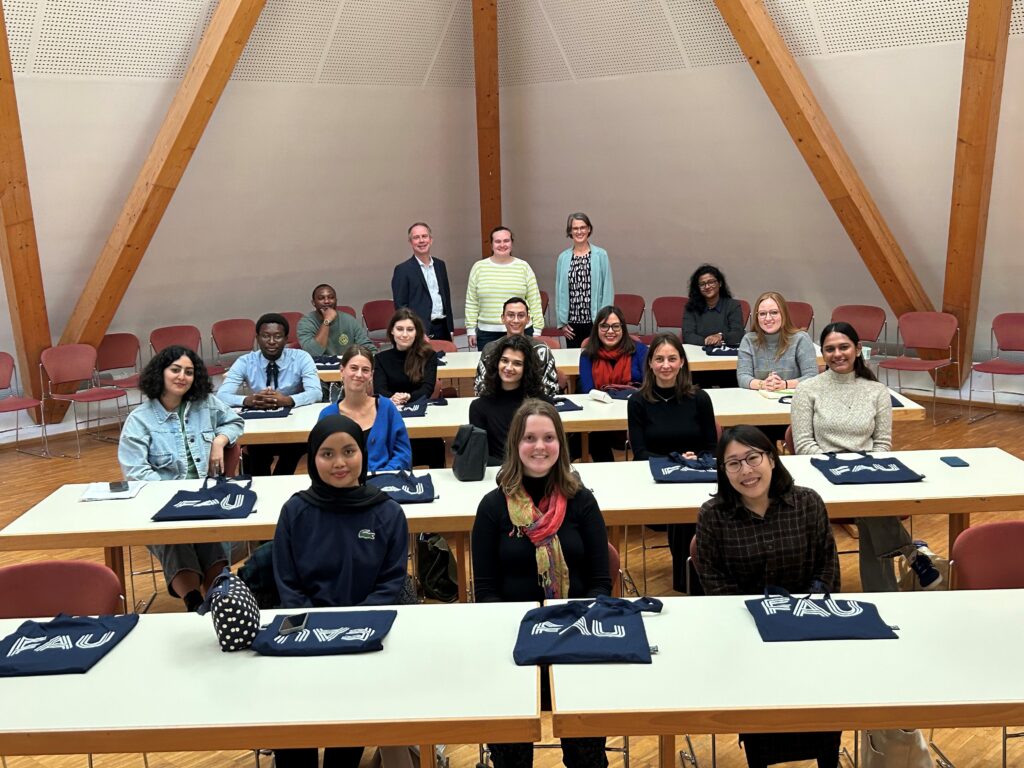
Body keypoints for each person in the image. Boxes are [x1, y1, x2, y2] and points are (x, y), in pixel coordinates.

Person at [472, 398, 611, 767]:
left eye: (549, 437)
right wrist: (524, 634)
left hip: (577, 638)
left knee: (587, 758)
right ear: (515, 445)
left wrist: (576, 628)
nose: (539, 447)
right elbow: (485, 592)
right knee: (511, 758)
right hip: (512, 643)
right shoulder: (492, 508)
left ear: (560, 445)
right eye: (530, 438)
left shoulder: (581, 502)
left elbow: (600, 583)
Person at [696, 425, 840, 767]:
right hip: (747, 636)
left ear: (772, 459)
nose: (746, 471)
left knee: (824, 707)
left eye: (753, 458)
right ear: (723, 471)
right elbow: (714, 583)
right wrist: (764, 620)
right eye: (733, 464)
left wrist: (803, 613)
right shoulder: (713, 516)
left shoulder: (807, 503)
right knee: (764, 721)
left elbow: (828, 568)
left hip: (810, 630)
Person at [272, 414, 409, 768]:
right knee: (294, 733)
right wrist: (315, 632)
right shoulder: (295, 511)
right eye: (327, 454)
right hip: (302, 636)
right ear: (313, 459)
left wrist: (350, 630)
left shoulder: (388, 513)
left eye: (349, 451)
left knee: (345, 735)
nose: (339, 463)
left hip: (363, 637)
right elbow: (288, 583)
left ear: (363, 453)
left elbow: (390, 584)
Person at [791, 321, 940, 592]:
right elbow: (803, 445)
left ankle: (887, 590)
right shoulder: (807, 390)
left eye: (844, 347)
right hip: (823, 474)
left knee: (868, 507)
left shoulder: (877, 391)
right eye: (830, 349)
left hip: (871, 472)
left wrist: (863, 468)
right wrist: (839, 467)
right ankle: (911, 555)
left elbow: (883, 444)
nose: (838, 354)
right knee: (873, 509)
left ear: (858, 349)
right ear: (823, 354)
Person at [118, 345, 244, 612]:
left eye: (189, 372)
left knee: (208, 533)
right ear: (160, 373)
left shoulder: (206, 405)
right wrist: (178, 498)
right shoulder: (139, 420)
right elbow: (136, 472)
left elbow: (235, 422)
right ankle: (193, 601)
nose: (182, 377)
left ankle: (216, 600)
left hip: (206, 496)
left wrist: (220, 441)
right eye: (175, 370)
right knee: (173, 536)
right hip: (160, 502)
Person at [627, 334, 717, 593]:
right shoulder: (638, 402)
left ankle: (696, 577)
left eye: (672, 359)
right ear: (650, 364)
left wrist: (694, 462)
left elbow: (712, 446)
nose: (665, 365)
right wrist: (676, 461)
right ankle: (688, 579)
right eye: (659, 359)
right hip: (655, 476)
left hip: (698, 472)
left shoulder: (699, 399)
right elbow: (641, 452)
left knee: (694, 506)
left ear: (681, 363)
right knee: (682, 510)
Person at [216, 312, 321, 475]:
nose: (271, 342)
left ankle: (281, 478)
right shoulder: (245, 361)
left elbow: (315, 392)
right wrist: (249, 400)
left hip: (292, 424)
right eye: (266, 336)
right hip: (259, 427)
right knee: (256, 456)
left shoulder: (301, 358)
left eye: (278, 337)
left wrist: (287, 400)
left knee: (294, 449)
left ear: (286, 339)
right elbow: (222, 396)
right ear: (257, 338)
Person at [318, 345, 412, 472]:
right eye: (353, 368)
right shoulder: (327, 416)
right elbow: (321, 459)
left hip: (386, 481)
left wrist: (383, 476)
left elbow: (403, 454)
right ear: (342, 371)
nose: (359, 374)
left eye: (365, 370)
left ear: (371, 375)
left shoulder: (387, 408)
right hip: (343, 485)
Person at [373, 308, 444, 468]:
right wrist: (393, 398)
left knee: (436, 446)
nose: (404, 334)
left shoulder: (429, 356)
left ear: (416, 332)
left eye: (410, 329)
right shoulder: (380, 358)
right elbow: (379, 389)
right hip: (390, 417)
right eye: (400, 329)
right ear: (392, 331)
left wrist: (407, 398)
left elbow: (427, 388)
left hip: (422, 415)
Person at [579, 305, 647, 461]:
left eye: (616, 326)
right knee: (593, 439)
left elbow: (648, 385)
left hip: (635, 414)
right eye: (604, 326)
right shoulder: (587, 356)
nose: (610, 331)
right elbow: (588, 390)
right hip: (600, 418)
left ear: (623, 328)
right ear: (597, 329)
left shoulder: (640, 351)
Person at [470, 334, 549, 464]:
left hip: (536, 471)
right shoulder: (479, 407)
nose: (508, 368)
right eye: (505, 361)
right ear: (497, 362)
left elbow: (549, 449)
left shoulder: (543, 404)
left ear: (526, 368)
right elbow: (480, 456)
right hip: (497, 475)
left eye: (517, 363)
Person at [465, 226, 544, 350]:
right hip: (487, 333)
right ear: (491, 245)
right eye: (498, 241)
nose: (502, 245)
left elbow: (535, 300)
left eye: (506, 241)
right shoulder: (478, 268)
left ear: (511, 243)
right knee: (490, 368)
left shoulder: (524, 267)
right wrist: (470, 329)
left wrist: (537, 330)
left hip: (521, 331)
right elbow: (472, 301)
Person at [474, 297, 560, 397]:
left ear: (528, 319)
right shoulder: (490, 349)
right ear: (503, 318)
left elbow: (551, 389)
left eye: (521, 316)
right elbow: (480, 387)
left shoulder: (542, 350)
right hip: (499, 407)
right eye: (510, 315)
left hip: (533, 408)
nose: (516, 320)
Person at [554, 212, 614, 349]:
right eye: (575, 228)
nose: (579, 231)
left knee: (596, 363)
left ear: (589, 229)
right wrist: (561, 323)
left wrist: (605, 321)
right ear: (570, 231)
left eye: (582, 227)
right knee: (575, 365)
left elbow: (607, 289)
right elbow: (559, 290)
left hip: (595, 322)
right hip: (571, 325)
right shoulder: (563, 258)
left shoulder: (600, 255)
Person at [737, 291, 818, 391]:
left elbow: (812, 377)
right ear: (757, 317)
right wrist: (764, 384)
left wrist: (784, 384)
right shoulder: (749, 340)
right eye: (762, 314)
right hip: (759, 399)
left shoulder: (801, 339)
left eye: (774, 312)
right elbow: (742, 377)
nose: (768, 318)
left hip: (792, 400)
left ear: (784, 314)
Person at [391, 222, 455, 341]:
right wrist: (415, 331)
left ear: (431, 240)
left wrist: (450, 329)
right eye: (416, 237)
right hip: (420, 330)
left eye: (424, 236)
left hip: (443, 328)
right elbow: (401, 307)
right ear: (411, 242)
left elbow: (446, 298)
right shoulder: (402, 270)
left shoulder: (440, 265)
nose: (421, 241)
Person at [297, 283, 372, 357]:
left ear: (336, 300)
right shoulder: (306, 322)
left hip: (346, 365)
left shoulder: (349, 320)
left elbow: (368, 348)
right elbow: (313, 353)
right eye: (321, 298)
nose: (327, 301)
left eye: (331, 297)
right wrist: (327, 321)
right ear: (313, 302)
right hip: (318, 366)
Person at [682, 264, 745, 347]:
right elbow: (687, 335)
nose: (707, 287)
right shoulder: (691, 307)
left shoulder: (732, 305)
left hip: (725, 353)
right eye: (702, 284)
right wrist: (707, 341)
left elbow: (738, 333)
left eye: (711, 282)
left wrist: (720, 337)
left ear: (720, 283)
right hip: (698, 351)